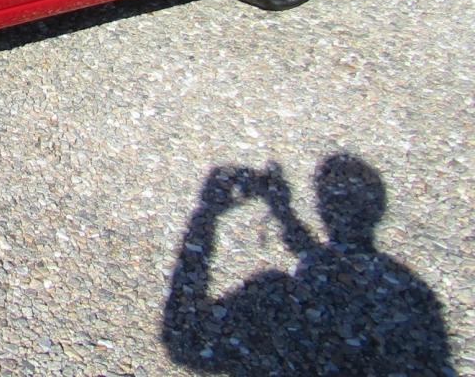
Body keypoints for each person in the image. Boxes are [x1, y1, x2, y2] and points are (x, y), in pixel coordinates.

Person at [162, 154, 450, 375]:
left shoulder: (276, 299)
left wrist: (206, 215)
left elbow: (183, 336)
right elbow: (339, 272)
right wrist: (284, 214)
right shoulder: (409, 293)